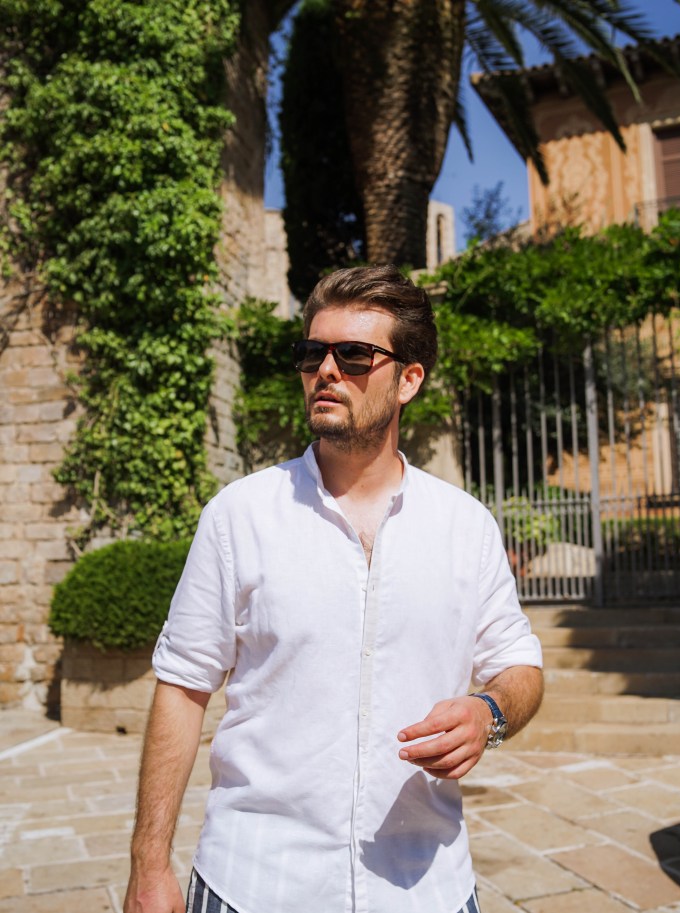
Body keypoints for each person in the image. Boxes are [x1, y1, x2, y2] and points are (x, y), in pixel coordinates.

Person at [124, 265, 543, 913]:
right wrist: (149, 864)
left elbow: (520, 666)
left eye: (353, 355)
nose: (325, 370)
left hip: (424, 886)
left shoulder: (466, 527)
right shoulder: (239, 515)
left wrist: (489, 714)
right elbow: (182, 687)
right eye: (311, 352)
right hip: (253, 883)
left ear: (409, 379)